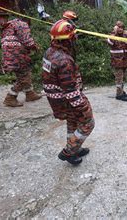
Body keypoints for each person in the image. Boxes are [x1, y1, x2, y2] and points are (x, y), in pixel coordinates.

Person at [42, 19, 94, 166]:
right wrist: (83, 107)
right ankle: (68, 151)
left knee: (72, 122)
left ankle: (75, 148)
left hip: (56, 99)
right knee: (88, 123)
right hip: (66, 100)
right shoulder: (64, 60)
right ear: (69, 39)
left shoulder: (50, 52)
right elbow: (70, 91)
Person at [0, 15, 42, 107]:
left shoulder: (10, 25)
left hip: (9, 55)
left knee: (24, 74)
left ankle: (30, 94)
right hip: (18, 55)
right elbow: (27, 41)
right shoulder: (22, 25)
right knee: (23, 77)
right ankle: (10, 97)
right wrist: (35, 47)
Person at [107, 21, 127, 101]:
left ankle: (121, 91)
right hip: (116, 61)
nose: (120, 29)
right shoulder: (112, 35)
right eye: (118, 27)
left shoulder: (125, 35)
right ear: (116, 28)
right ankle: (119, 95)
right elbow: (109, 43)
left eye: (122, 28)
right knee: (119, 78)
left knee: (123, 77)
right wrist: (114, 32)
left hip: (124, 60)